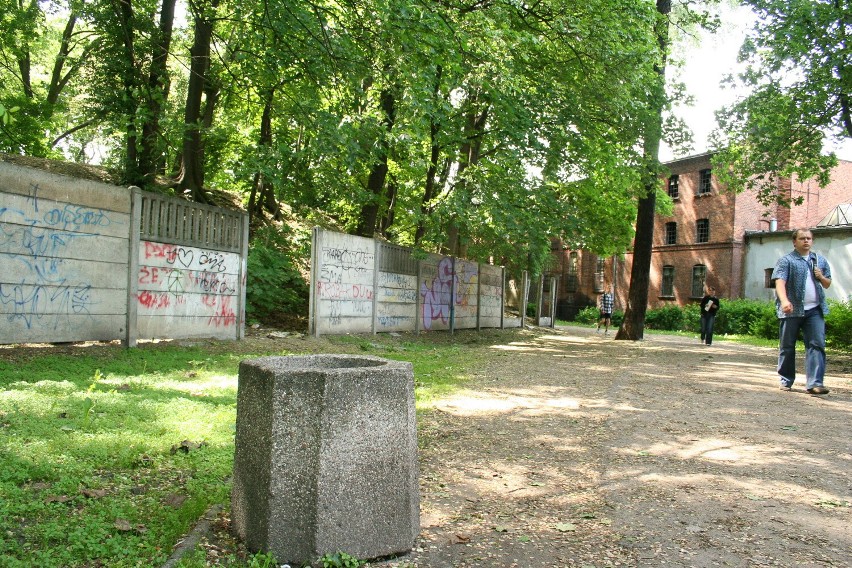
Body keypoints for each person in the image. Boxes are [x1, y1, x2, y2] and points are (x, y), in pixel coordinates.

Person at [771, 228, 832, 395]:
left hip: (815, 310)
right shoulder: (786, 261)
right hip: (792, 310)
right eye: (802, 238)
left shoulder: (819, 260)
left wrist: (821, 276)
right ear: (794, 241)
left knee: (816, 345)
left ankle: (815, 383)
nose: (806, 241)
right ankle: (786, 379)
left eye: (809, 238)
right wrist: (784, 301)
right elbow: (780, 282)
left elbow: (827, 284)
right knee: (787, 346)